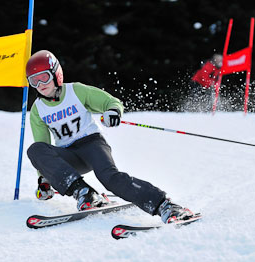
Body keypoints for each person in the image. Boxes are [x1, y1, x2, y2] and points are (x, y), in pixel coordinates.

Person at [25, 50, 195, 224]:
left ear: (56, 74)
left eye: (44, 77)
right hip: (69, 155)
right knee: (34, 150)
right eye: (34, 81)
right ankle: (84, 193)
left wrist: (113, 112)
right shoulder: (38, 110)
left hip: (91, 144)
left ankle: (164, 205)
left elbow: (111, 102)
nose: (40, 84)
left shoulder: (76, 91)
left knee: (110, 178)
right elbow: (42, 148)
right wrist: (44, 178)